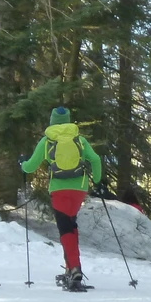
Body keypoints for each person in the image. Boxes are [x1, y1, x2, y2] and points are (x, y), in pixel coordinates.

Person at [20, 107, 103, 291]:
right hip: (79, 189)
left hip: (59, 189)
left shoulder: (47, 140)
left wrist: (22, 164)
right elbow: (96, 159)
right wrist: (97, 181)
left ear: (52, 121)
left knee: (65, 228)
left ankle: (74, 269)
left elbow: (30, 166)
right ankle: (70, 268)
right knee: (71, 225)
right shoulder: (79, 139)